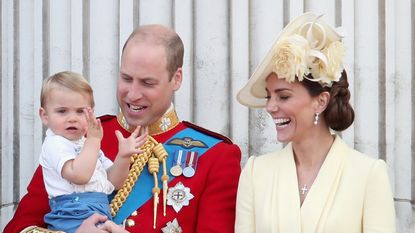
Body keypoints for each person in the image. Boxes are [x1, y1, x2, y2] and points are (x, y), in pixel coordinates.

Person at [5, 24, 241, 233]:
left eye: (148, 83)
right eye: (126, 79)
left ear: (176, 79)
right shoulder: (80, 136)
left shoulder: (216, 156)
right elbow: (19, 227)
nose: (133, 94)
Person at [235, 12, 396, 233]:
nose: (271, 107)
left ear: (320, 102)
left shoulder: (369, 174)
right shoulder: (255, 173)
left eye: (283, 96)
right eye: (268, 96)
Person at [37, 71, 147, 233]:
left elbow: (115, 182)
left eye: (80, 111)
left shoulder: (85, 143)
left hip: (95, 210)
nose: (72, 118)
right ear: (45, 116)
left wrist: (123, 156)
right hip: (72, 213)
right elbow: (79, 175)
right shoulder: (55, 143)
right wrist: (94, 141)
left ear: (91, 113)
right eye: (62, 111)